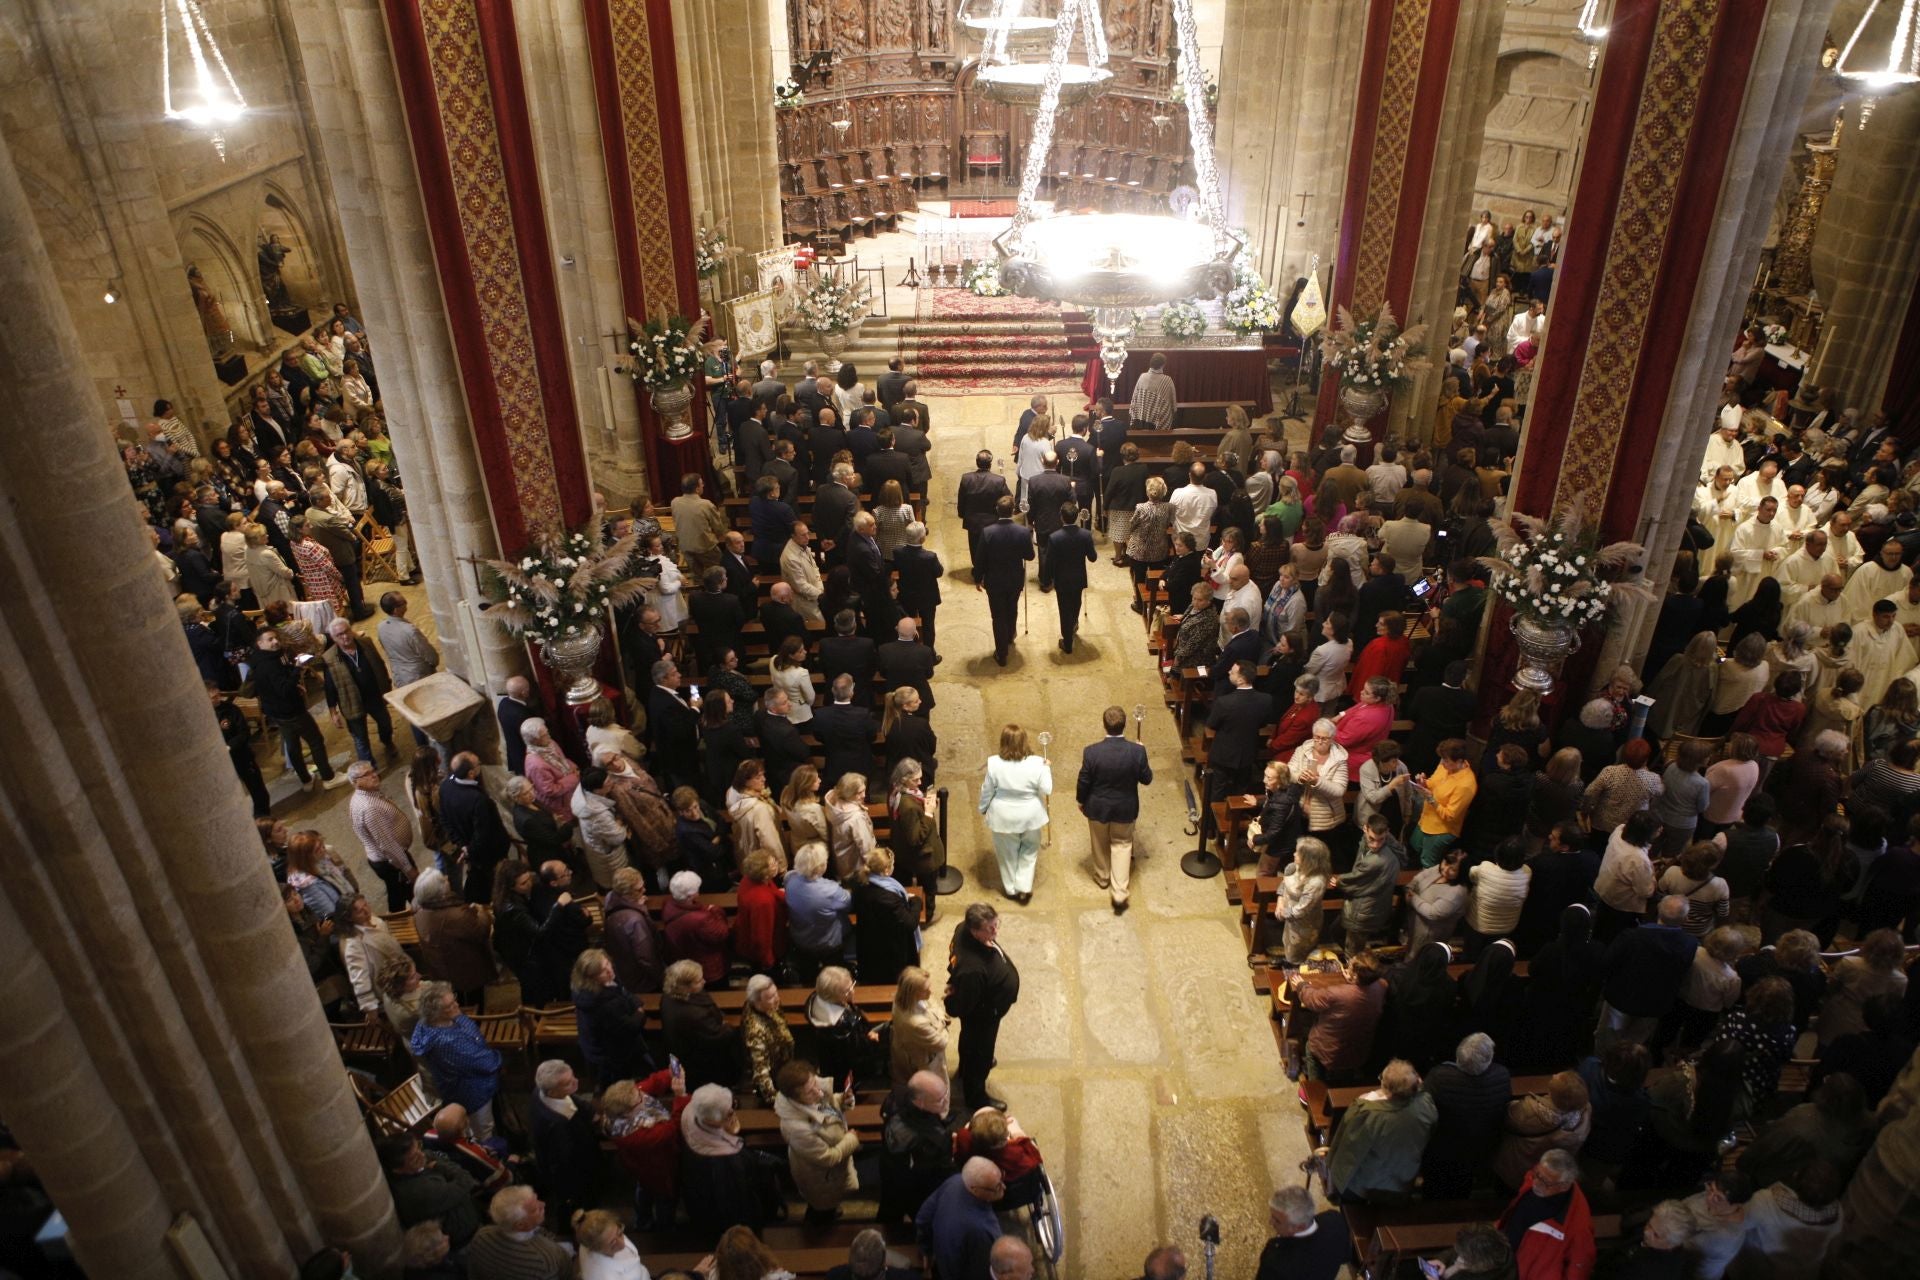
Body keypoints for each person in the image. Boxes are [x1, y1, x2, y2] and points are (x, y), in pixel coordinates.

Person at [1325, 1058, 1438, 1203]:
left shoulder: (1367, 1113)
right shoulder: (1426, 1105)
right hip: (1402, 1182)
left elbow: (1348, 1152)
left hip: (1366, 1186)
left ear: (1387, 1088)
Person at [1076, 705, 1154, 912]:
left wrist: (1081, 801)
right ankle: (1120, 890)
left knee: (1099, 843)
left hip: (1098, 806)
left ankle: (1102, 877)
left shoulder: (1092, 752)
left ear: (1104, 725)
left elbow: (1084, 781)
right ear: (1125, 725)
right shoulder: (1137, 751)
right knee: (1122, 844)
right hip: (1125, 807)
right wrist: (1142, 754)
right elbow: (1147, 779)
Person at [1597, 896, 1700, 1050]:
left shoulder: (1631, 937)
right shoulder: (1690, 944)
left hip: (1621, 997)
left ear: (1658, 911)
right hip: (1655, 1004)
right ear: (1685, 919)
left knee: (1608, 1039)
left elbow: (1607, 963)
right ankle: (1626, 1068)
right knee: (1635, 1043)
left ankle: (1602, 1067)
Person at [1422, 1032, 1515, 1199]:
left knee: (1434, 1189)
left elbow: (1423, 1103)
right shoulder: (1501, 1075)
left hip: (1443, 1147)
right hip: (1481, 1148)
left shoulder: (1439, 1077)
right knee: (1464, 1186)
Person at [947, 903, 1019, 1111]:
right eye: (990, 929)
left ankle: (966, 1066)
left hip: (987, 1005)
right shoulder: (972, 969)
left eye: (996, 924)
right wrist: (953, 998)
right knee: (979, 1051)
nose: (995, 931)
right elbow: (964, 1005)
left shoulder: (964, 928)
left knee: (970, 1042)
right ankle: (976, 1096)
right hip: (983, 1015)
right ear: (974, 931)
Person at [409, 981, 502, 1138]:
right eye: (450, 1005)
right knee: (483, 1129)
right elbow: (484, 1063)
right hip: (473, 1091)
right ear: (437, 1013)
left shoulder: (427, 1022)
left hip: (455, 1085)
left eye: (454, 1000)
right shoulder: (447, 1043)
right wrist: (498, 1057)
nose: (457, 1005)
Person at [775, 1060, 862, 1223]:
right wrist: (851, 1139)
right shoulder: (797, 1128)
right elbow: (827, 1157)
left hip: (830, 1174)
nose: (819, 1092)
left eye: (816, 1083)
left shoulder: (809, 1100)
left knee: (829, 1205)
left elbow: (822, 1109)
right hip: (820, 1178)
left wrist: (841, 1100)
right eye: (810, 1092)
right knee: (822, 1214)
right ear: (796, 1098)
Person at [979, 724, 1052, 903]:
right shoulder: (1037, 762)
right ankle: (1024, 886)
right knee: (1030, 850)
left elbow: (987, 790)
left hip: (1003, 815)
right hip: (1030, 815)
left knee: (1006, 854)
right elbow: (1047, 789)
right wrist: (1047, 768)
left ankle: (1011, 888)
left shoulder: (994, 763)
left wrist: (983, 808)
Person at [1496, 1150, 1595, 1280]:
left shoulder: (1578, 1225)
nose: (1536, 1182)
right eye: (1537, 1174)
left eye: (1545, 1182)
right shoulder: (1537, 1179)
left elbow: (1579, 1267)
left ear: (1564, 1186)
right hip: (1506, 1257)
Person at [916, 1158, 1006, 1280]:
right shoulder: (982, 1231)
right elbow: (984, 1272)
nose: (1004, 1187)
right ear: (975, 1189)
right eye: (996, 1187)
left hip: (940, 1262)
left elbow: (923, 1218)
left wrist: (926, 1251)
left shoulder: (956, 1181)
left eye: (1001, 1179)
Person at [659, 957, 739, 1091]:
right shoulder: (693, 1015)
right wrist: (727, 1028)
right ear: (686, 986)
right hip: (699, 1061)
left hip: (684, 1049)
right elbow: (716, 1036)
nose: (704, 981)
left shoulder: (670, 995)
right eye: (698, 981)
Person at [977, 496, 1034, 665]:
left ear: (997, 510)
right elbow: (1030, 556)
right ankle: (1009, 636)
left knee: (998, 616)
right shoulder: (1022, 532)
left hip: (994, 581)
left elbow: (980, 558)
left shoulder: (988, 532)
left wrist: (978, 578)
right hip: (1014, 579)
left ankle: (1002, 653)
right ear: (1012, 511)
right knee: (1012, 608)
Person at [1253, 1185, 1348, 1280]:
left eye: (1277, 1221)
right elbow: (1345, 1256)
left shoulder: (1275, 1263)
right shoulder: (1335, 1219)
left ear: (1299, 1227)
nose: (1270, 1222)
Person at [890, 966, 950, 1087]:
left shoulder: (905, 998)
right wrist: (943, 1023)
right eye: (926, 989)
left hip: (912, 1046)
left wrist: (938, 1021)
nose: (931, 992)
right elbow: (941, 1042)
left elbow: (933, 1003)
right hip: (925, 1061)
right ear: (913, 993)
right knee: (934, 1092)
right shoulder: (916, 1023)